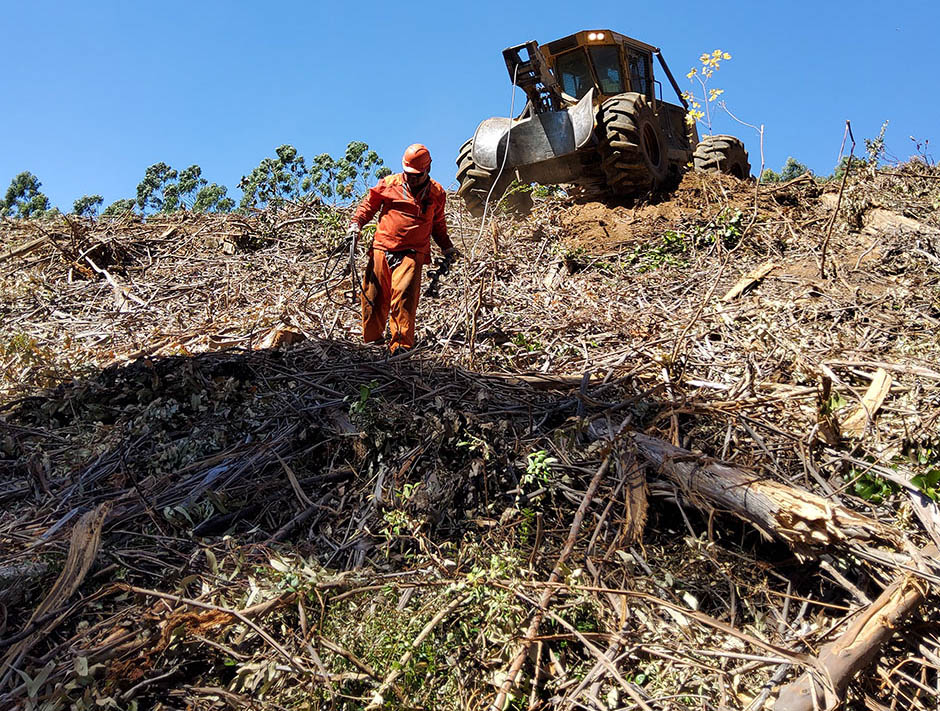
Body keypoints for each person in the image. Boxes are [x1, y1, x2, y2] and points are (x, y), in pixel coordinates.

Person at [347, 144, 459, 353]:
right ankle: (372, 342)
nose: (412, 178)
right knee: (372, 297)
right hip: (382, 247)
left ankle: (400, 346)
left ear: (428, 169)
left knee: (404, 299)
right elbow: (368, 206)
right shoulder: (389, 184)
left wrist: (447, 248)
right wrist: (356, 224)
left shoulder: (436, 193)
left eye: (417, 174)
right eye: (408, 173)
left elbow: (438, 224)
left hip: (412, 253)